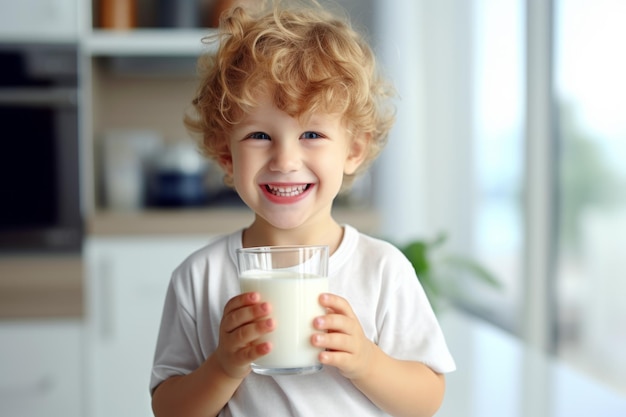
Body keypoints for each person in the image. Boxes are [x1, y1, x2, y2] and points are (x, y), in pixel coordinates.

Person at [150, 2, 456, 416]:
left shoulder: (383, 270)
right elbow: (169, 409)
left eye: (311, 133)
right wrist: (223, 366)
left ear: (354, 149)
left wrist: (367, 362)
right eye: (259, 135)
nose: (285, 160)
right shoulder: (200, 277)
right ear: (226, 154)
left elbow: (426, 401)